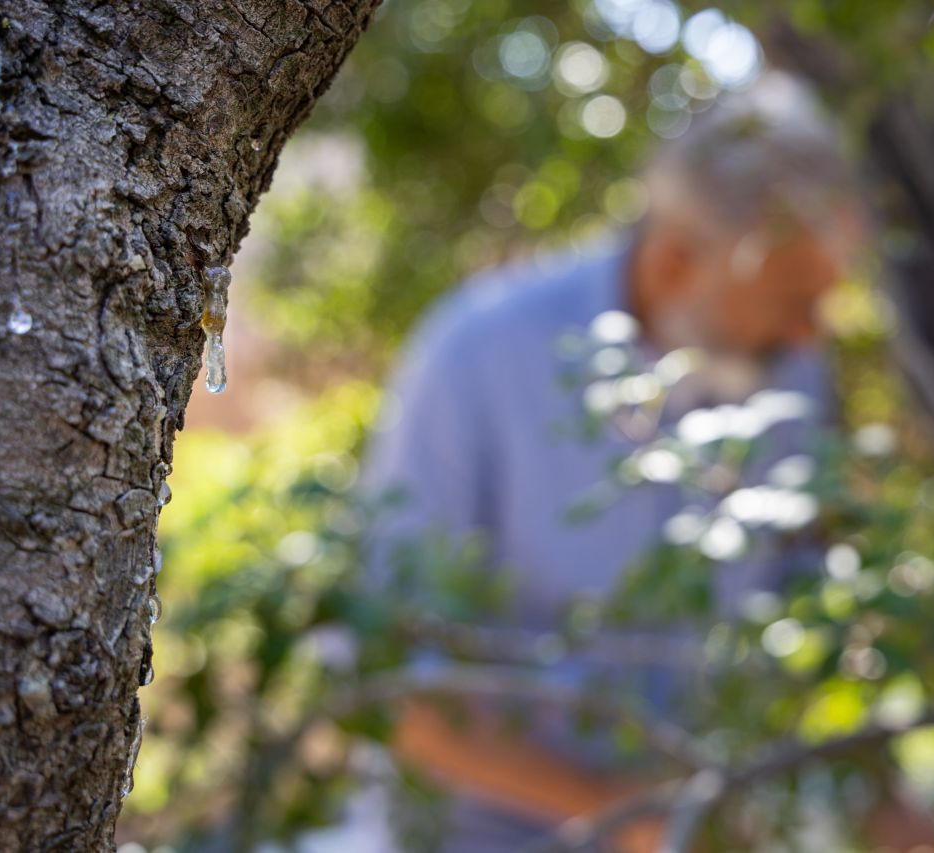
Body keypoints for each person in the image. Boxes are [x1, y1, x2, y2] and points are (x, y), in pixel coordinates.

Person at [361, 72, 865, 851]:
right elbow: (385, 681)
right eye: (790, 299)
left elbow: (808, 605)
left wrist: (880, 789)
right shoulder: (477, 356)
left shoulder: (792, 373)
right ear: (673, 263)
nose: (810, 334)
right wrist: (621, 812)